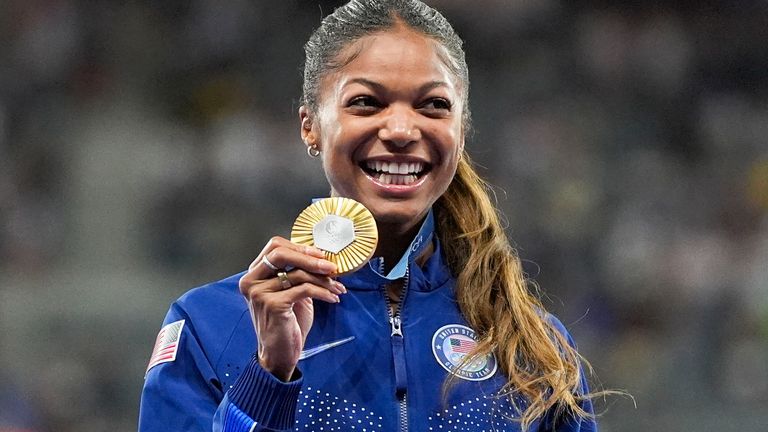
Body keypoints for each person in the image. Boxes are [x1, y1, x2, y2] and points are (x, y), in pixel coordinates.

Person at [139, 0, 598, 431]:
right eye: (366, 102)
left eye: (434, 105)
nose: (400, 130)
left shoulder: (532, 344)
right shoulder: (209, 325)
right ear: (311, 126)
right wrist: (268, 377)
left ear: (461, 131)